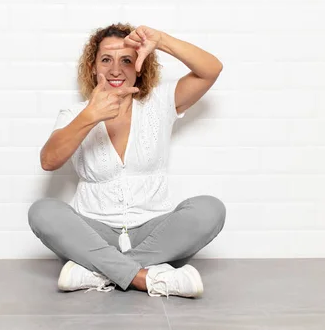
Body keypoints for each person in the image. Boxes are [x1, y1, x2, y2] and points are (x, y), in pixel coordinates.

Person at [28, 23, 226, 298]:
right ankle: (149, 277)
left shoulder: (160, 103)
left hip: (155, 232)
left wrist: (161, 40)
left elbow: (211, 69)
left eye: (126, 60)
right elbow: (49, 161)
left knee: (210, 209)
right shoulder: (75, 113)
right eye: (106, 60)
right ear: (93, 67)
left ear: (139, 66)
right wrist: (90, 116)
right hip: (94, 233)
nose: (116, 69)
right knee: (43, 212)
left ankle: (99, 272)